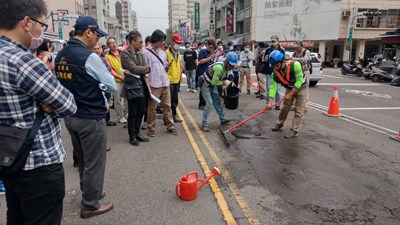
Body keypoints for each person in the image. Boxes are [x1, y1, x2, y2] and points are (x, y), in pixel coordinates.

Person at [0, 0, 77, 224]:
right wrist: (49, 102)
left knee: (16, 216)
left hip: (8, 158)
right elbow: (68, 104)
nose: (41, 32)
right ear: (26, 22)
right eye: (41, 25)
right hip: (38, 163)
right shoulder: (22, 61)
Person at [55, 16, 117, 218]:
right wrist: (99, 88)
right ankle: (91, 204)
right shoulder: (89, 56)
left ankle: (90, 191)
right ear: (88, 32)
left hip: (71, 116)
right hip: (90, 116)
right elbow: (111, 85)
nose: (98, 40)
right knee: (94, 161)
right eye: (97, 35)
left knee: (83, 158)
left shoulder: (61, 55)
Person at [143, 29, 177, 137]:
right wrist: (147, 86)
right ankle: (151, 128)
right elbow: (145, 72)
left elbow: (163, 68)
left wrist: (167, 66)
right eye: (161, 40)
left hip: (164, 83)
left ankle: (170, 126)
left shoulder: (163, 53)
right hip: (153, 84)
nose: (162, 43)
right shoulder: (145, 53)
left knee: (167, 106)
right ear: (155, 40)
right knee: (152, 108)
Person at [267, 50, 308, 139]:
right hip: (289, 87)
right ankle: (280, 123)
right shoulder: (275, 73)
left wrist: (290, 94)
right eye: (273, 65)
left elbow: (299, 81)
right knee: (285, 107)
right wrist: (270, 102)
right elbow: (273, 87)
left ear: (283, 61)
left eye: (277, 65)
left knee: (299, 110)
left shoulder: (295, 65)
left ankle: (294, 130)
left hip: (302, 87)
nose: (275, 67)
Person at [121, 31, 151, 146]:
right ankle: (132, 136)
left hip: (142, 84)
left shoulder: (140, 53)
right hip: (132, 86)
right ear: (132, 41)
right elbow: (134, 68)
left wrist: (143, 68)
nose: (141, 44)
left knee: (142, 110)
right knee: (132, 112)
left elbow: (139, 69)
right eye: (139, 41)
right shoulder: (125, 54)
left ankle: (137, 133)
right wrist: (147, 68)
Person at [199, 52, 237, 132]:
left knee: (217, 101)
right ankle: (204, 124)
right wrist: (223, 82)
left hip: (212, 84)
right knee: (209, 103)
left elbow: (229, 76)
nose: (232, 67)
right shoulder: (219, 68)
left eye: (233, 66)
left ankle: (223, 119)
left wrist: (231, 81)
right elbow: (214, 82)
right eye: (231, 65)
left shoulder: (227, 68)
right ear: (226, 61)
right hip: (205, 84)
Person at [105, 37, 128, 124]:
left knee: (126, 99)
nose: (113, 44)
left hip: (126, 79)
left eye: (114, 42)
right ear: (108, 45)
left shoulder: (122, 53)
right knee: (118, 100)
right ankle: (120, 116)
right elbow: (110, 70)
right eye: (111, 43)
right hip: (116, 81)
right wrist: (119, 76)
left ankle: (126, 114)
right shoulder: (107, 57)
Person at [166, 34, 184, 123]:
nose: (179, 45)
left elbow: (180, 65)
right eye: (178, 43)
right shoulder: (166, 53)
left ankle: (174, 116)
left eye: (180, 43)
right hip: (168, 81)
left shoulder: (179, 53)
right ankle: (167, 119)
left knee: (175, 101)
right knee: (167, 102)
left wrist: (181, 70)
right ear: (172, 43)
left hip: (176, 80)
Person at [264, 35, 285, 110]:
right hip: (269, 71)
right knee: (269, 88)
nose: (272, 42)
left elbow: (283, 61)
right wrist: (266, 59)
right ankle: (268, 103)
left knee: (277, 89)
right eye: (271, 41)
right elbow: (264, 60)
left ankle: (277, 104)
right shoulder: (267, 49)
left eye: (274, 41)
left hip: (278, 71)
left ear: (278, 41)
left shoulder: (282, 50)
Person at [196, 39, 216, 110]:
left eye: (212, 48)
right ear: (207, 45)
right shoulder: (202, 51)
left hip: (209, 74)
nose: (211, 49)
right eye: (210, 47)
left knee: (208, 90)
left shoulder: (212, 53)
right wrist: (210, 57)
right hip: (202, 74)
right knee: (202, 90)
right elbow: (200, 61)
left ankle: (206, 103)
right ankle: (201, 104)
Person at [291, 41, 311, 109]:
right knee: (295, 87)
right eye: (295, 47)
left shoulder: (306, 51)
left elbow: (305, 60)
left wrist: (294, 59)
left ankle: (304, 106)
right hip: (297, 71)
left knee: (304, 88)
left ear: (301, 46)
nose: (296, 48)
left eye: (298, 47)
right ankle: (294, 105)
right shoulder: (294, 53)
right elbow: (291, 60)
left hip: (305, 71)